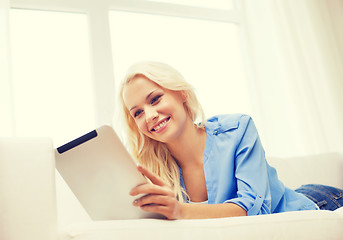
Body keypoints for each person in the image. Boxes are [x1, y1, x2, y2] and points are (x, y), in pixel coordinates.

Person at [119, 61, 343, 220]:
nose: (149, 116)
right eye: (137, 113)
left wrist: (180, 211)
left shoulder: (238, 129)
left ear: (182, 94)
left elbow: (254, 211)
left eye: (156, 99)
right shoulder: (153, 170)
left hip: (318, 201)